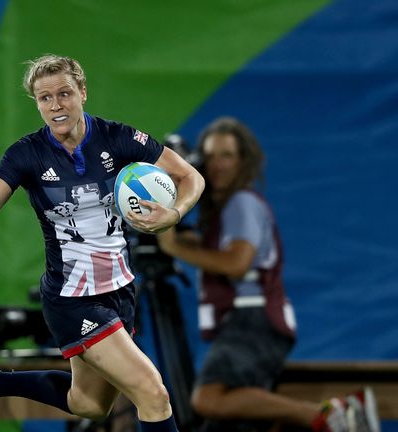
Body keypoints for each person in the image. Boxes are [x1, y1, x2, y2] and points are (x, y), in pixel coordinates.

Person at [0, 54, 205, 431]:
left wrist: (175, 214)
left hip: (120, 291)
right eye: (45, 98)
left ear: (82, 93)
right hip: (71, 298)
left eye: (64, 93)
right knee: (153, 393)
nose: (56, 106)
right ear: (36, 103)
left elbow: (190, 177)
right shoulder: (25, 154)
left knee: (87, 404)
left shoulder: (117, 138)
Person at [156, 117, 380, 432]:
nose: (217, 164)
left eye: (227, 155)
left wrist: (173, 247)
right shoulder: (223, 212)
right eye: (210, 156)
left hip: (254, 321)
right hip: (249, 323)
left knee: (208, 398)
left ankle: (326, 414)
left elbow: (236, 263)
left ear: (243, 161)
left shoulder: (242, 203)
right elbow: (207, 246)